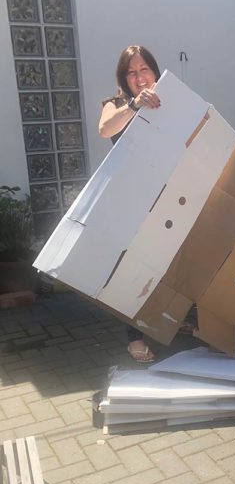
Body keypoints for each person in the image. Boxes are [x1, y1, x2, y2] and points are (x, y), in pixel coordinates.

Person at [98, 45, 162, 362]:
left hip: (166, 196)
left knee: (164, 265)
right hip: (130, 201)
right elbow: (104, 129)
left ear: (154, 71)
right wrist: (135, 106)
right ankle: (133, 337)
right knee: (131, 272)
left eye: (144, 69)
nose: (138, 77)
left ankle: (168, 321)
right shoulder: (117, 104)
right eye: (131, 72)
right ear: (124, 78)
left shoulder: (170, 102)